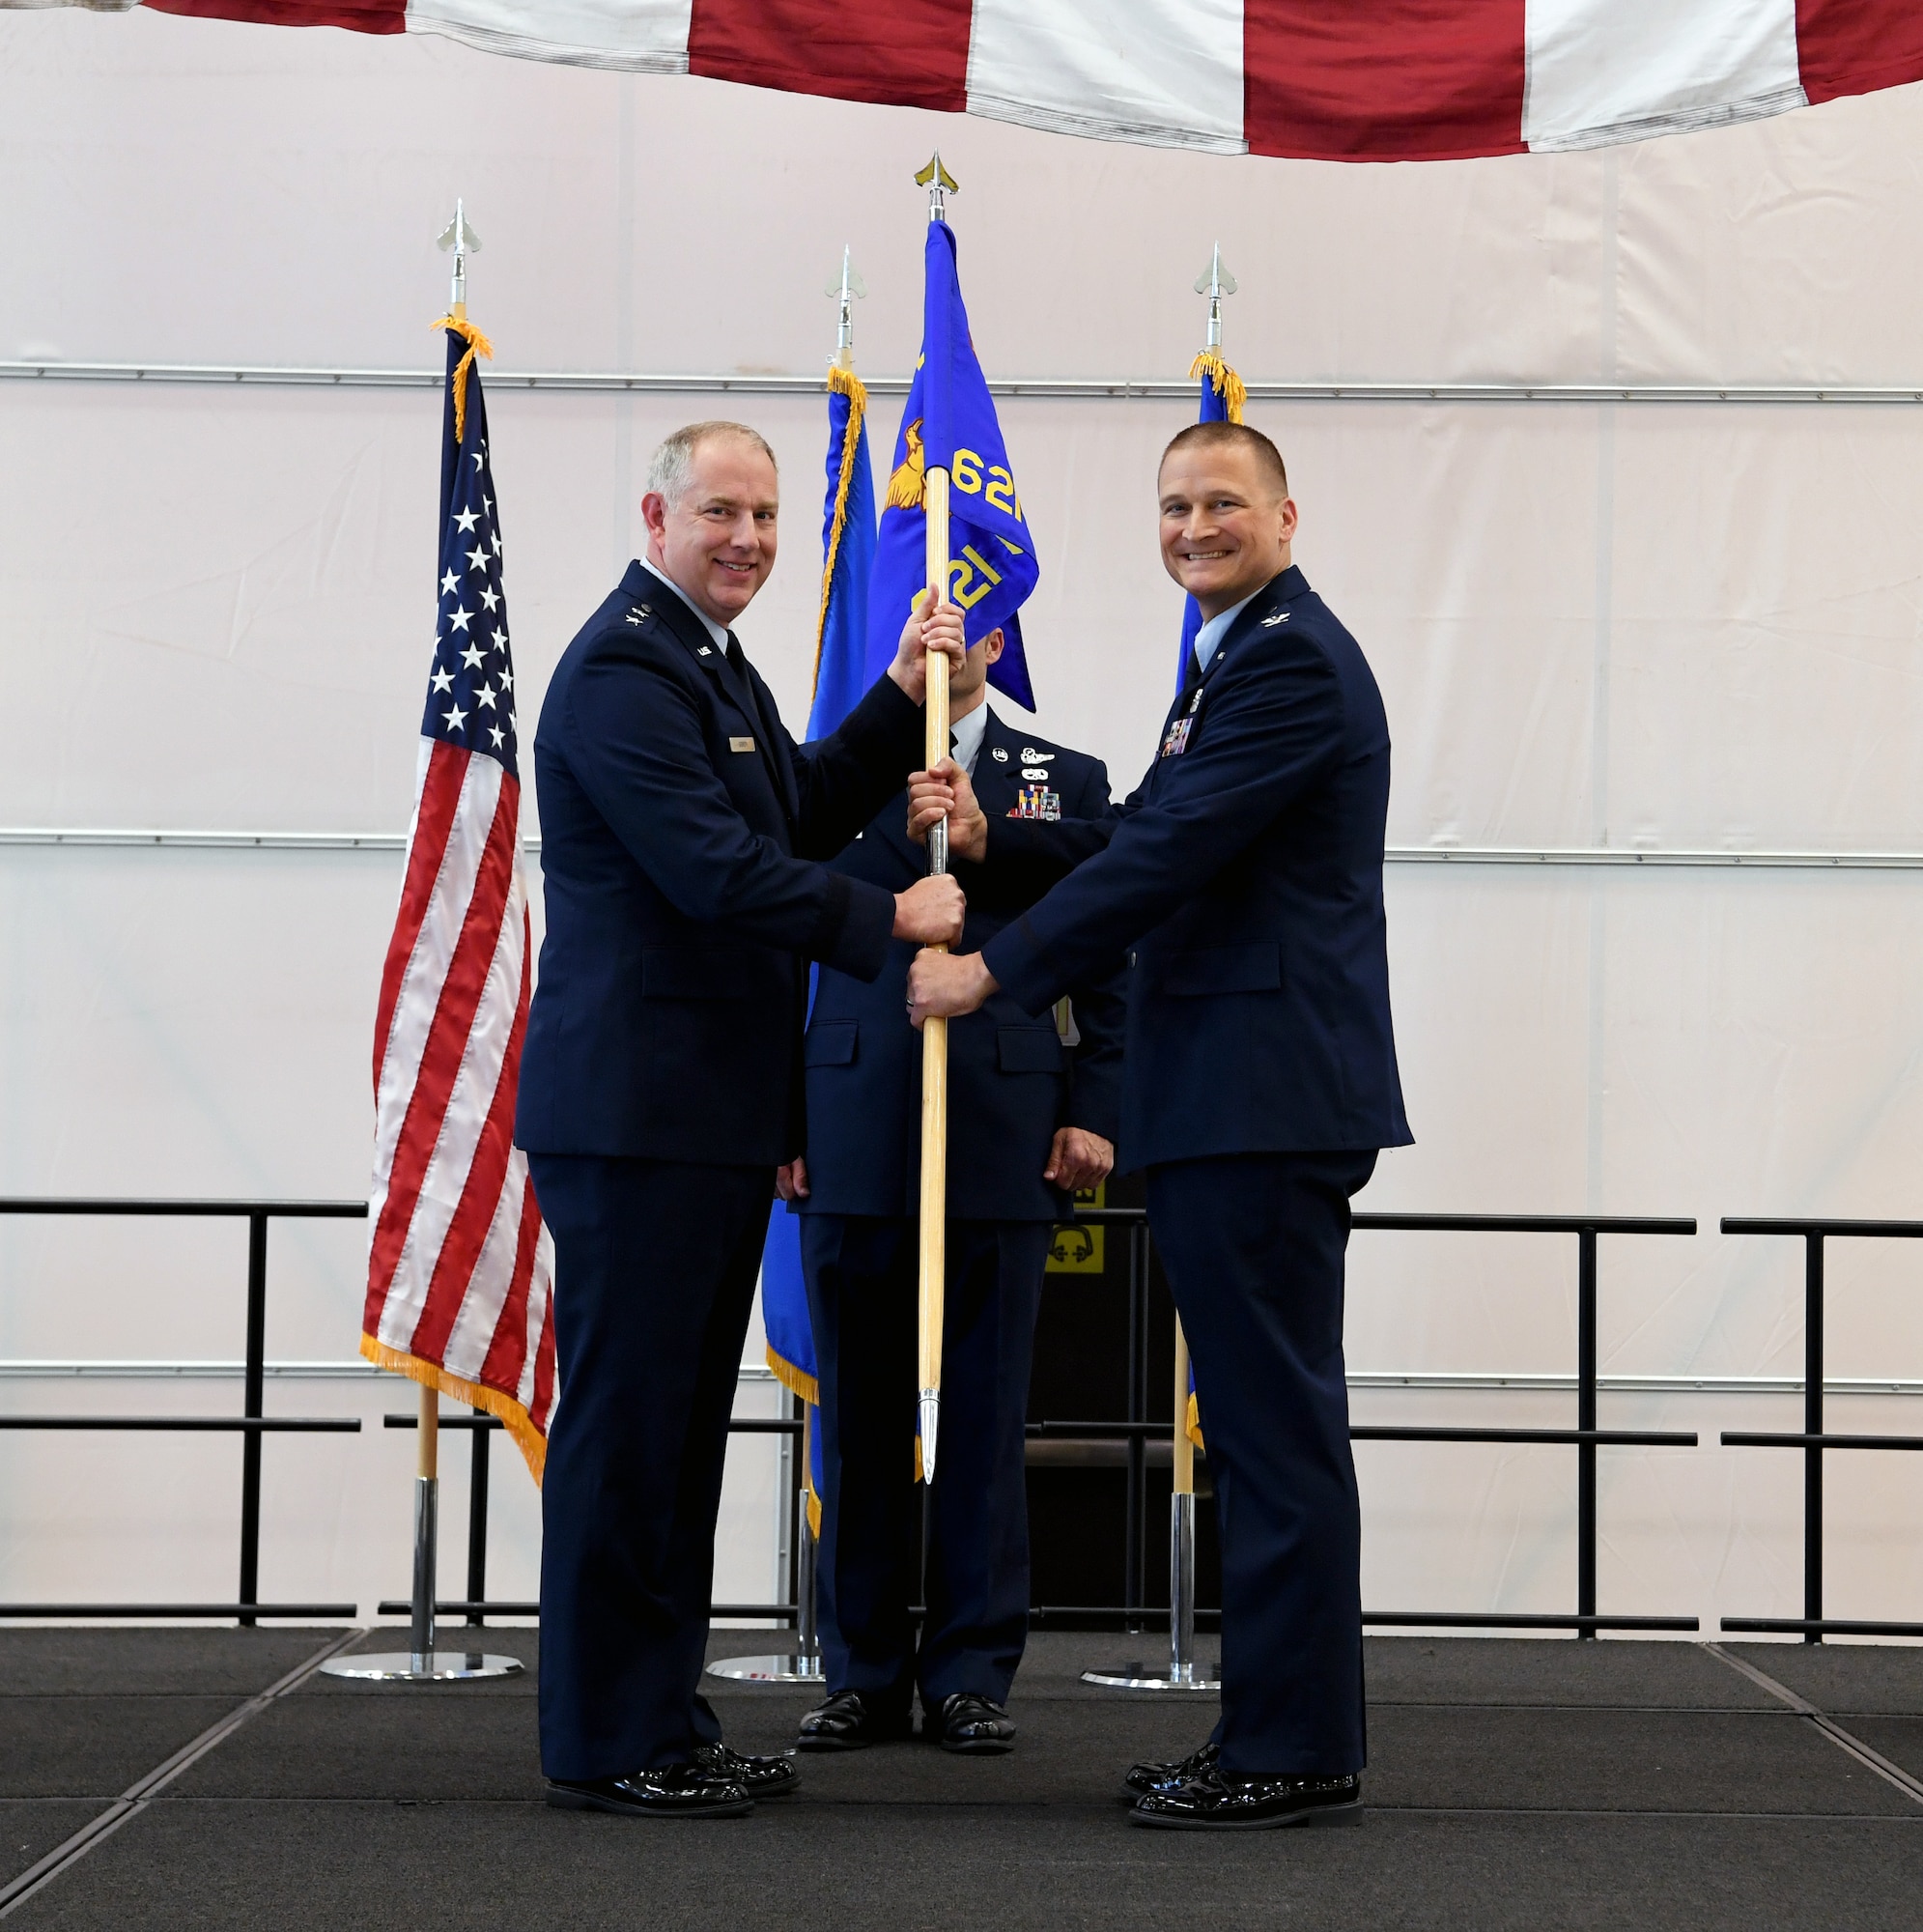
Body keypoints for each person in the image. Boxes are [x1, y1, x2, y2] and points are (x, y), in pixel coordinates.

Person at [906, 419, 1411, 1832]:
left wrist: (991, 967)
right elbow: (1148, 827)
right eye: (1174, 505)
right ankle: (1280, 1730)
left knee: (1268, 1434)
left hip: (1258, 1098)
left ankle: (1291, 1747)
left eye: (1221, 503)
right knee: (1256, 1432)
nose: (1194, 526)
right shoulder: (1234, 659)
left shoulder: (1289, 661)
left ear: (1286, 515)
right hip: (1227, 1096)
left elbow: (1170, 857)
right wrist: (1008, 845)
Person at [516, 420, 966, 1821]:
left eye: (766, 516)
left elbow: (793, 809)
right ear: (653, 511)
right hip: (637, 1119)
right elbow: (716, 873)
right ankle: (602, 1736)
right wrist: (891, 916)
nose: (750, 540)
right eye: (721, 511)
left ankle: (661, 1711)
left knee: (675, 1440)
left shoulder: (703, 663)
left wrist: (896, 696)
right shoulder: (620, 671)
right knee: (630, 1435)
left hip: (697, 1119)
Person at [781, 625, 1126, 1757]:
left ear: (1005, 634)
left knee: (981, 1415)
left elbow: (1108, 951)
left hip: (1001, 1123)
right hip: (848, 1125)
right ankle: (863, 1670)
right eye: (929, 614)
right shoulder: (824, 773)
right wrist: (781, 1118)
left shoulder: (1061, 784)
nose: (951, 641)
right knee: (860, 1416)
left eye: (975, 615)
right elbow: (768, 947)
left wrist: (1095, 1105)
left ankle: (972, 1669)